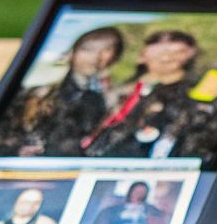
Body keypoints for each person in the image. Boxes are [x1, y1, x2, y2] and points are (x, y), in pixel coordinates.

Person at [0, 26, 125, 156]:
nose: (97, 57)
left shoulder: (97, 100)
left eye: (108, 50)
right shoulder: (37, 92)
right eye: (88, 49)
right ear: (71, 52)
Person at [81, 30, 204, 160]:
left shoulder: (192, 97)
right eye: (160, 52)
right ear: (142, 56)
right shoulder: (122, 92)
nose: (166, 58)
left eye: (176, 52)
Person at [87, 181, 166, 224]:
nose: (139, 194)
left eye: (142, 192)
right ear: (131, 191)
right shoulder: (112, 210)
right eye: (137, 191)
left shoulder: (151, 210)